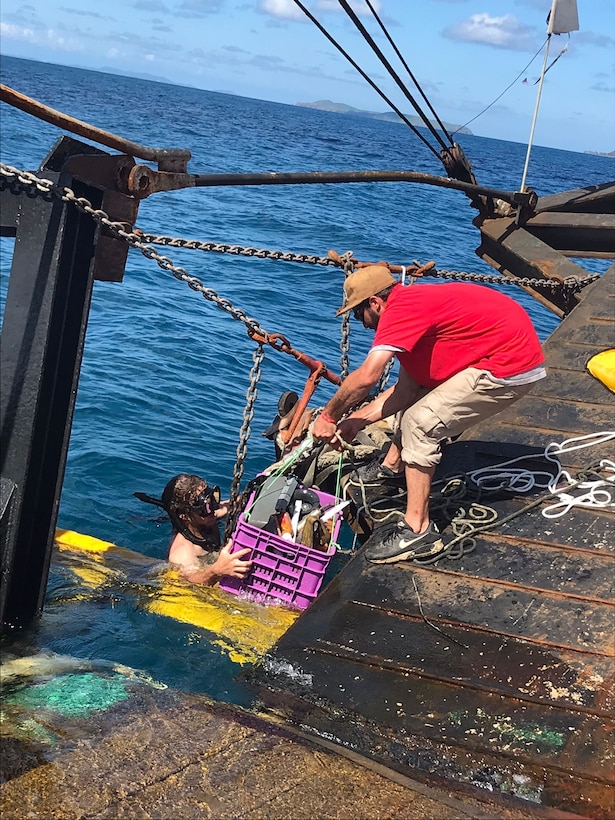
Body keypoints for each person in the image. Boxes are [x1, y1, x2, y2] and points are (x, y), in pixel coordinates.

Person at [312, 265, 546, 564]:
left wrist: (329, 417)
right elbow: (406, 391)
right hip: (497, 353)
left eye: (359, 314)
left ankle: (418, 530)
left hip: (510, 367)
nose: (362, 324)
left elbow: (368, 377)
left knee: (419, 423)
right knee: (415, 405)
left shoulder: (401, 311)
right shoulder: (410, 308)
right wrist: (357, 421)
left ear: (375, 302)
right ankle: (392, 467)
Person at [135, 473, 252, 585]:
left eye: (212, 500)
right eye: (204, 507)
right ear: (184, 515)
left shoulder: (206, 516)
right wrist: (216, 571)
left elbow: (232, 504)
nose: (213, 509)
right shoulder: (182, 552)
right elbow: (191, 580)